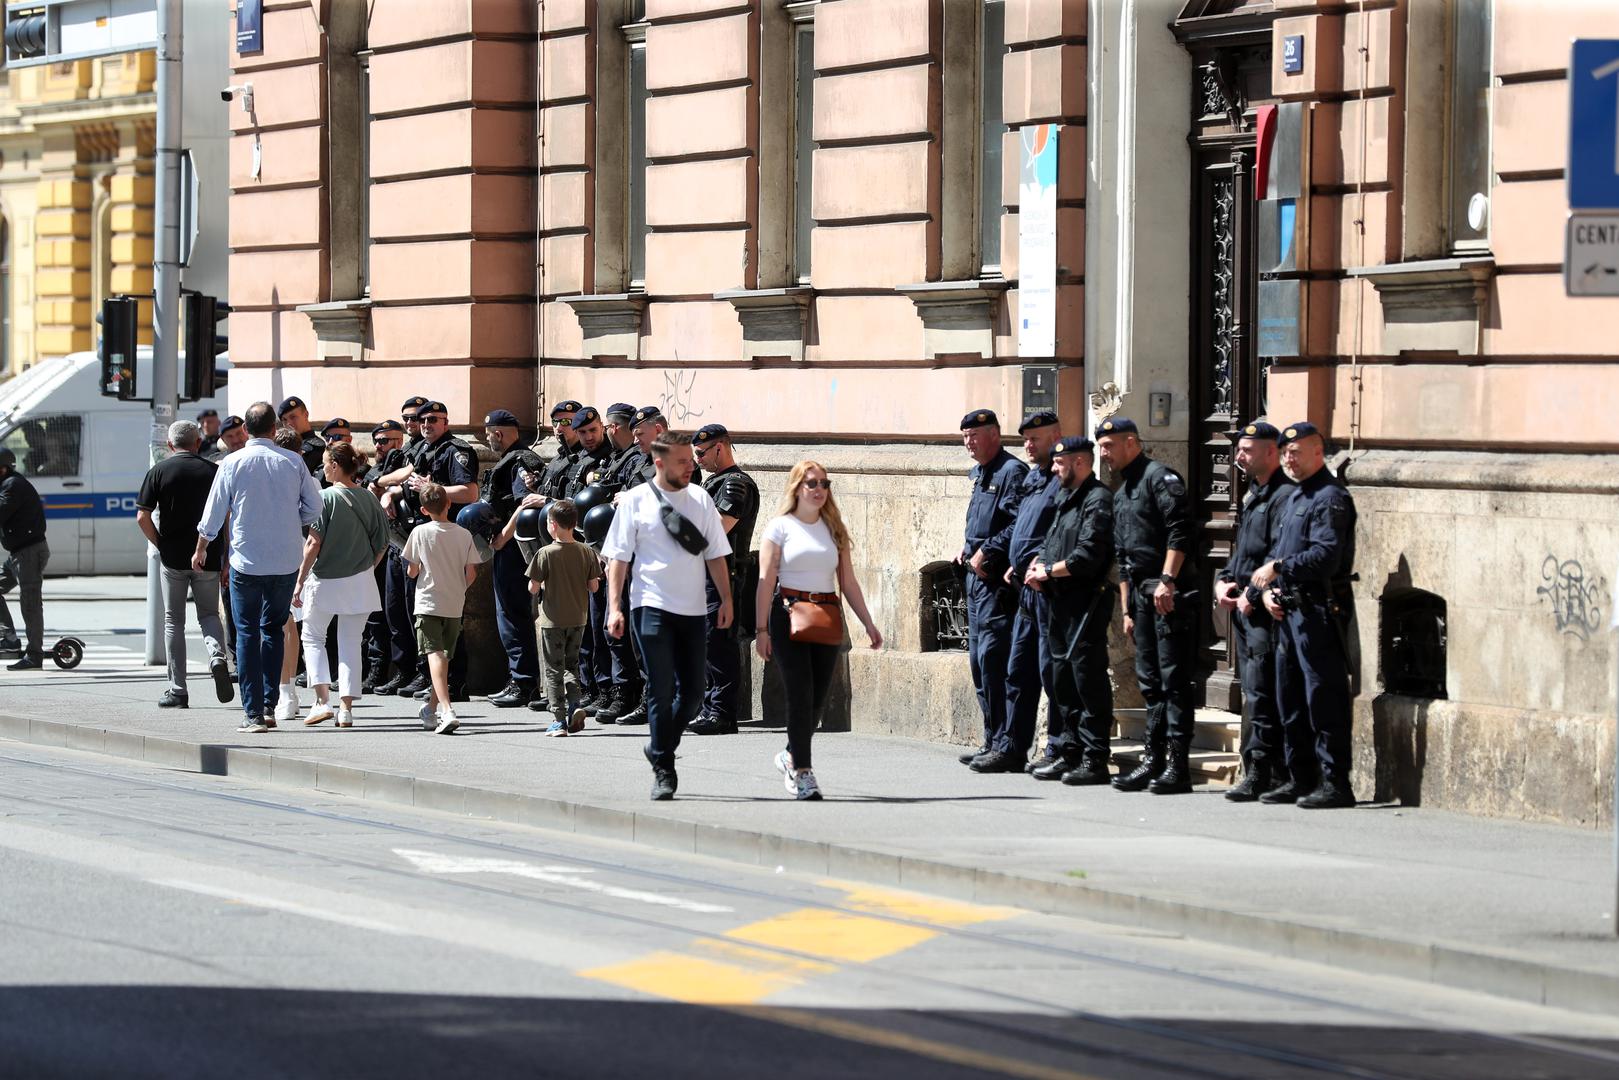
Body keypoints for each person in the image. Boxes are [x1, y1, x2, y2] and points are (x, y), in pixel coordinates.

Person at [602, 431, 733, 801]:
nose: (690, 467)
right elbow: (619, 559)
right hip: (650, 606)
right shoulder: (636, 501)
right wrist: (615, 607)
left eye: (692, 461)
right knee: (660, 687)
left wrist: (726, 599)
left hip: (693, 610)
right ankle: (664, 766)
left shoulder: (701, 499)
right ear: (659, 463)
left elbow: (716, 555)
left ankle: (660, 744)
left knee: (692, 694)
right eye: (682, 462)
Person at [755, 461, 882, 800]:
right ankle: (803, 773)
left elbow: (849, 582)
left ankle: (790, 754)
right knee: (800, 693)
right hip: (788, 613)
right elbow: (766, 580)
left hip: (826, 614)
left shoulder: (833, 528)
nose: (819, 489)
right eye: (811, 483)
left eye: (824, 483)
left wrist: (868, 623)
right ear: (797, 488)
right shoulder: (780, 527)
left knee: (817, 699)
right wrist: (762, 629)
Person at [194, 402, 322, 733]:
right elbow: (314, 506)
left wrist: (202, 549)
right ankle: (269, 704)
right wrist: (295, 522)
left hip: (246, 561)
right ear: (272, 427)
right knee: (274, 628)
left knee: (247, 632)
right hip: (284, 560)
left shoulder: (231, 463)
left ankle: (252, 712)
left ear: (247, 430)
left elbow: (213, 513)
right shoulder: (293, 461)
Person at [1251, 421, 1359, 810]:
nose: (1289, 459)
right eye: (1285, 453)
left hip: (1317, 611)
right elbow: (1282, 549)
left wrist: (1279, 568)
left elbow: (1325, 556)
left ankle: (1335, 783)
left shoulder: (1329, 498)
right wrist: (1270, 592)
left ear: (1318, 453)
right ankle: (1300, 778)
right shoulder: (1296, 498)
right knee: (1290, 697)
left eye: (1296, 453)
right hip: (1289, 609)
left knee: (1322, 697)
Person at [1096, 416, 1199, 795]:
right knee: (1150, 683)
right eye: (1101, 447)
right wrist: (1125, 609)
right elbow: (1123, 557)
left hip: (1166, 594)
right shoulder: (1122, 491)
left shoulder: (1160, 478)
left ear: (1131, 442)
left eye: (1109, 446)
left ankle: (1178, 765)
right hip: (1139, 597)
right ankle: (1153, 759)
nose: (1103, 454)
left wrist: (1169, 580)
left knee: (1173, 681)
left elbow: (1180, 531)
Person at [972, 411, 1063, 774]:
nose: (1028, 445)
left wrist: (1040, 559)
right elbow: (1021, 525)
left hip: (1049, 588)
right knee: (1017, 672)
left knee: (1051, 673)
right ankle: (1011, 746)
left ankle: (1057, 747)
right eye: (1025, 439)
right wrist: (1012, 558)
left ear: (1056, 435)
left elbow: (1060, 528)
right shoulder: (1036, 478)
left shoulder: (1061, 479)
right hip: (1023, 586)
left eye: (1036, 439)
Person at [1026, 437, 1116, 784]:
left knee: (1086, 679)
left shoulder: (1098, 499)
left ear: (1080, 462)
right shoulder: (1065, 496)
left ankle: (1095, 758)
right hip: (1058, 600)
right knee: (1061, 679)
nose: (1053, 469)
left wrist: (1048, 571)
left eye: (1059, 463)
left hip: (1086, 601)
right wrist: (1039, 564)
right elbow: (1052, 540)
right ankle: (1070, 752)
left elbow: (1088, 555)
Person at [380, 400, 480, 701]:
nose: (426, 424)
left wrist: (432, 488)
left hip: (442, 538)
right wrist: (391, 492)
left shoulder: (457, 451)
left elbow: (469, 492)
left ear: (446, 422)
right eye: (422, 420)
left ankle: (453, 682)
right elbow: (404, 483)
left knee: (444, 616)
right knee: (410, 610)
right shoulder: (420, 450)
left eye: (434, 420)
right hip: (412, 536)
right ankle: (425, 674)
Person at [1216, 421, 1294, 801]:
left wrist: (1250, 590)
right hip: (1245, 609)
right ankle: (1257, 767)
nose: (1238, 457)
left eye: (1246, 450)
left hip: (1264, 611)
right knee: (1252, 690)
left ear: (1270, 452)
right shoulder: (1254, 493)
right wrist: (1224, 580)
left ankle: (1264, 770)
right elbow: (1244, 549)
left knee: (1262, 692)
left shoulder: (1284, 496)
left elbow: (1277, 553)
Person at [135, 420, 232, 707]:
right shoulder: (214, 471)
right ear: (198, 443)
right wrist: (225, 556)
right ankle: (216, 655)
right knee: (209, 616)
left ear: (170, 445)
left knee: (173, 621)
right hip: (209, 556)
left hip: (174, 558)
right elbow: (227, 516)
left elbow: (142, 516)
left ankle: (178, 689)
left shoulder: (159, 472)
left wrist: (160, 543)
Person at [292, 442, 389, 728]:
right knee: (350, 643)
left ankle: (322, 701)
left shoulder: (324, 498)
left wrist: (299, 580)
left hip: (325, 579)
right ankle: (346, 709)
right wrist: (367, 567)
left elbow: (313, 543)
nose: (323, 469)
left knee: (312, 637)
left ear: (335, 465)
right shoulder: (369, 498)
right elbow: (382, 542)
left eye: (325, 464)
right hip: (360, 580)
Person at [956, 409, 1028, 766]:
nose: (968, 442)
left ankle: (1005, 744)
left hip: (995, 582)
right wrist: (967, 548)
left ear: (995, 434)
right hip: (974, 578)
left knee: (994, 660)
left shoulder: (1011, 472)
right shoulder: (982, 472)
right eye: (965, 436)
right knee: (978, 662)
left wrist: (988, 549)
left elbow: (1019, 523)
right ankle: (990, 739)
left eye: (975, 435)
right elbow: (980, 522)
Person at [464, 409, 544, 709]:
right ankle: (519, 678)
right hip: (507, 546)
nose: (488, 439)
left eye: (489, 434)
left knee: (511, 614)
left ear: (498, 433)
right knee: (507, 614)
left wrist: (503, 537)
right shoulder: (513, 459)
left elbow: (525, 503)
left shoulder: (520, 460)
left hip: (512, 548)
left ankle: (523, 682)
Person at [689, 423, 760, 736]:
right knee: (706, 644)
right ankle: (709, 708)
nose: (698, 460)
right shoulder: (712, 484)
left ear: (720, 447)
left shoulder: (735, 484)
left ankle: (722, 713)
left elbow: (717, 528)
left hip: (723, 576)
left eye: (702, 453)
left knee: (718, 644)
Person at [402, 481, 483, 735]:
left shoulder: (419, 533)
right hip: (454, 602)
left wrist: (414, 569)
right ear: (449, 503)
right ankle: (431, 708)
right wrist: (460, 589)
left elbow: (413, 570)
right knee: (444, 657)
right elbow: (472, 572)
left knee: (434, 655)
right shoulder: (463, 534)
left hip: (428, 600)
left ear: (424, 510)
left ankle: (446, 710)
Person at [526, 498, 602, 736]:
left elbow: (533, 588)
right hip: (578, 618)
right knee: (572, 664)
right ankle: (575, 706)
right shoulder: (586, 550)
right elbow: (594, 587)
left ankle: (559, 719)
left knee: (554, 669)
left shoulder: (544, 553)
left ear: (552, 524)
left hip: (552, 620)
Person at [361, 420, 407, 693]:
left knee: (395, 613)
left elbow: (406, 476)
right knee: (376, 615)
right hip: (373, 548)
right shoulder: (373, 470)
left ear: (399, 442)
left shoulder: (405, 460)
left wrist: (385, 487)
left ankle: (394, 669)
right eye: (376, 441)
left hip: (395, 544)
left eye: (385, 441)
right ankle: (376, 668)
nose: (379, 446)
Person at [0, 447, 49, 670]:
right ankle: (9, 641)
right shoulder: (7, 484)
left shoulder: (13, 486)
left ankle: (35, 655)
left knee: (30, 604)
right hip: (18, 554)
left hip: (28, 552)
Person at [277, 396, 327, 476]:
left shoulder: (317, 447)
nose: (288, 423)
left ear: (306, 415)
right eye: (284, 420)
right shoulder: (280, 446)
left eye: (293, 417)